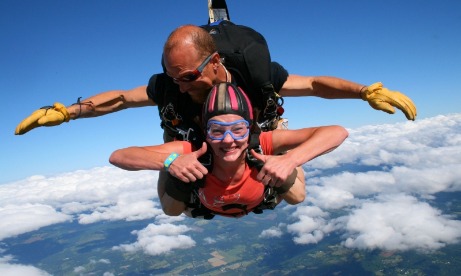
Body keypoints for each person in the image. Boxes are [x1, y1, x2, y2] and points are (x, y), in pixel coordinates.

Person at [14, 24, 415, 214]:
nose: (181, 85)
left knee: (294, 194)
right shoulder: (173, 87)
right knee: (175, 207)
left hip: (256, 130)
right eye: (174, 77)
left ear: (216, 62)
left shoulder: (253, 73)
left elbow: (312, 84)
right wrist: (68, 112)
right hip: (191, 140)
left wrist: (365, 91)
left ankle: (269, 180)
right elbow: (119, 99)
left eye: (189, 76)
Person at [109, 83, 349, 218]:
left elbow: (337, 132)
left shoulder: (263, 142)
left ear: (249, 129)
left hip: (257, 192)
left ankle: (282, 155)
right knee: (171, 210)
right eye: (216, 130)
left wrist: (290, 160)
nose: (228, 140)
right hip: (206, 203)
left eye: (238, 129)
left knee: (297, 197)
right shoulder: (194, 150)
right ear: (205, 132)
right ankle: (171, 162)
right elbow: (119, 156)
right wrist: (171, 162)